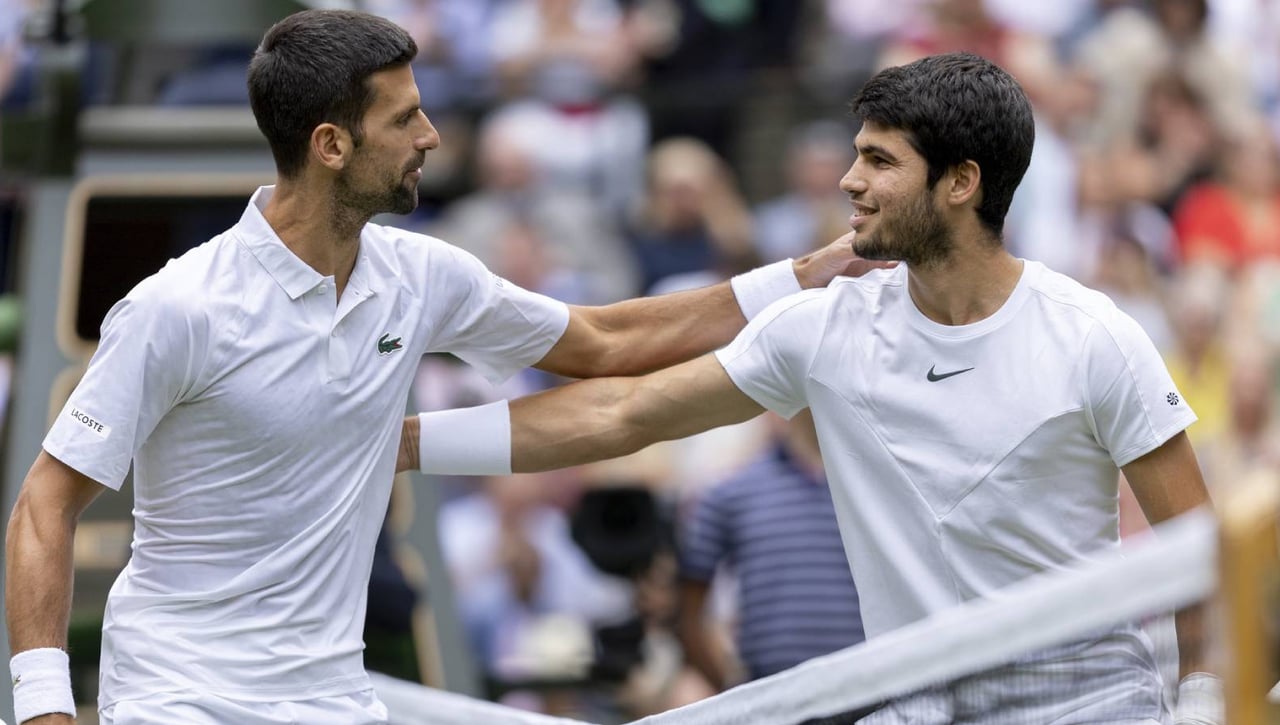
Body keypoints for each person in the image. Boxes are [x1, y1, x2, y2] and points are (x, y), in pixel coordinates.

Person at [2, 10, 873, 725]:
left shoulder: (422, 277)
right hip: (177, 702)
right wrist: (43, 710)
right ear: (332, 145)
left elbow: (604, 342)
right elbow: (44, 503)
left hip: (334, 701)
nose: (431, 133)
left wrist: (798, 275)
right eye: (404, 117)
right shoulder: (176, 309)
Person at [407, 52, 1220, 723]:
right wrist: (397, 444)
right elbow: (623, 411)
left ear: (961, 183)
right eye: (855, 154)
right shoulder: (825, 327)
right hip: (916, 699)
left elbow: (1203, 551)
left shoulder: (1093, 336)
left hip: (1091, 703)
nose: (847, 181)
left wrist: (1205, 700)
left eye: (879, 161)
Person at [676, 411, 865, 692]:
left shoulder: (877, 487)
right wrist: (731, 695)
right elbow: (688, 611)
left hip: (873, 693)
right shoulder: (733, 493)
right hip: (772, 699)